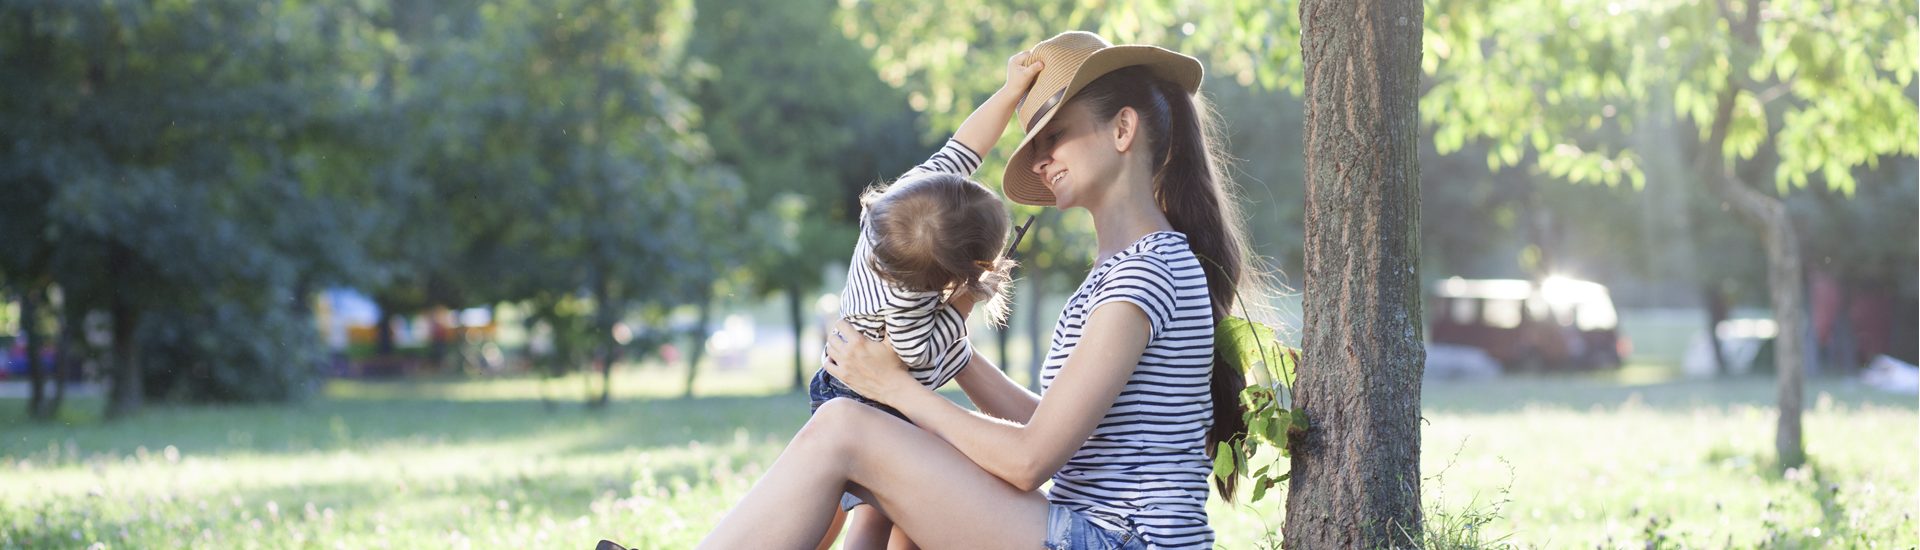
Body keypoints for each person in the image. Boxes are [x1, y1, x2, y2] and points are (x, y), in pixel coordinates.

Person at [697, 30, 1255, 549]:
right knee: (894, 506)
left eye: (1054, 136)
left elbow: (1031, 460)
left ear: (1122, 129)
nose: (1039, 160)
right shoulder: (1126, 267)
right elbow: (1062, 436)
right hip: (1090, 529)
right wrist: (952, 354)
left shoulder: (1145, 273)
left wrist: (895, 389)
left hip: (1119, 540)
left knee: (845, 425)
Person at [801, 47, 1040, 550]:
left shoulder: (898, 209)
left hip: (850, 386)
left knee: (851, 512)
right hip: (870, 397)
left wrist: (1009, 91)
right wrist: (969, 302)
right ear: (960, 273)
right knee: (859, 514)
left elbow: (965, 145)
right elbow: (915, 356)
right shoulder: (912, 298)